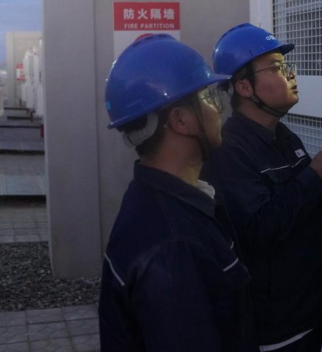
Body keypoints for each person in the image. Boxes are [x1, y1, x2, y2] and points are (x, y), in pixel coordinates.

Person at [202, 23, 322, 352]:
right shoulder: (230, 151)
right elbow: (258, 230)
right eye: (276, 67)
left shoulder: (285, 136)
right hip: (276, 322)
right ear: (244, 87)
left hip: (309, 306)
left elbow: (321, 206)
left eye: (287, 65)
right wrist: (314, 177)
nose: (291, 73)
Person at [99, 34, 256, 352]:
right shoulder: (173, 249)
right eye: (209, 97)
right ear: (181, 120)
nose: (218, 109)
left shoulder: (156, 202)